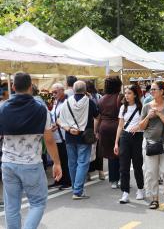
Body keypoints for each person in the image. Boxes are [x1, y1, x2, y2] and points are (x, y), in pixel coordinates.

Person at [0, 72, 62, 229]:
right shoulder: (41, 109)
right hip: (31, 164)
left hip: (8, 163)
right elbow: (49, 140)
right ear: (30, 87)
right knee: (38, 203)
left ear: (13, 87)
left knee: (12, 206)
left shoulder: (2, 108)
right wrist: (56, 162)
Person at [139, 81, 164, 210]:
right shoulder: (146, 106)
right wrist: (148, 117)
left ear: (162, 91)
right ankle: (154, 198)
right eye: (151, 90)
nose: (152, 91)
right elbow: (141, 126)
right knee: (151, 172)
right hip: (150, 143)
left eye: (154, 89)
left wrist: (160, 114)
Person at [59, 80, 99, 199]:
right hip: (84, 136)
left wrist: (69, 128)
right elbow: (97, 116)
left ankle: (74, 187)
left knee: (72, 163)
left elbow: (60, 120)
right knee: (82, 163)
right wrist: (94, 129)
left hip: (70, 136)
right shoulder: (89, 102)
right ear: (85, 90)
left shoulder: (66, 103)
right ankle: (78, 190)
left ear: (73, 90)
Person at [114, 85, 145, 203]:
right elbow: (120, 125)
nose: (126, 95)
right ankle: (125, 192)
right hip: (125, 137)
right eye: (125, 93)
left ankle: (140, 189)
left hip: (138, 137)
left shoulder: (141, 107)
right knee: (124, 166)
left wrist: (138, 127)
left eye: (129, 93)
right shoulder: (123, 107)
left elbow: (145, 124)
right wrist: (116, 142)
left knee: (137, 165)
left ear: (135, 95)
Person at [97, 77, 122, 189]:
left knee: (111, 155)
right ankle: (122, 178)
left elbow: (98, 116)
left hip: (104, 127)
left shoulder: (101, 99)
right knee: (122, 153)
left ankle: (113, 180)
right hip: (117, 127)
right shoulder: (120, 97)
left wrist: (96, 131)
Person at [49, 83, 71, 190]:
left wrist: (57, 125)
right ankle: (58, 180)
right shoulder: (56, 102)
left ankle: (67, 181)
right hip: (56, 135)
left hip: (64, 135)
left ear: (62, 90)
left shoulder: (67, 102)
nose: (53, 94)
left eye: (55, 92)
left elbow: (67, 117)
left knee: (64, 159)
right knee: (57, 159)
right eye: (52, 92)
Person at [86, 80, 105, 181]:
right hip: (99, 126)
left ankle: (88, 173)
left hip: (89, 127)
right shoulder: (100, 97)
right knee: (98, 151)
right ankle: (100, 172)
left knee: (89, 150)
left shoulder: (87, 98)